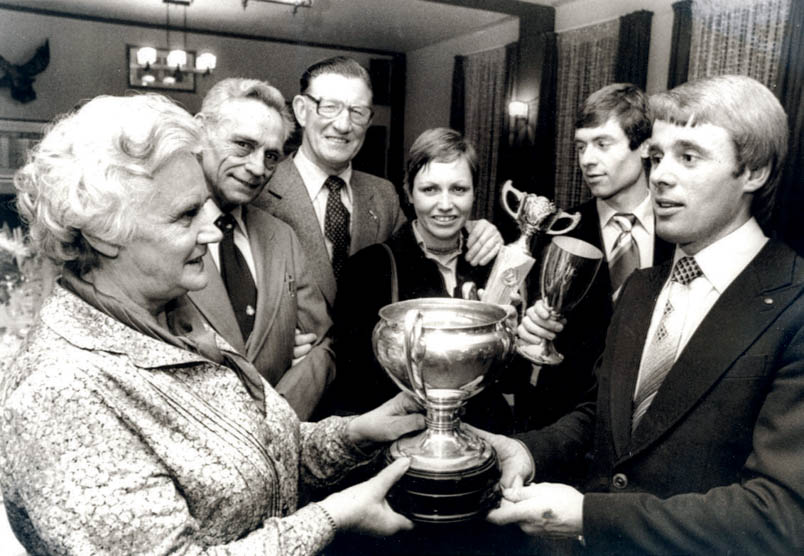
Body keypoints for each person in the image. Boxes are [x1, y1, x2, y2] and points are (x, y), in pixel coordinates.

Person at [0, 93, 430, 554]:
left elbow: (258, 454)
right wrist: (330, 519)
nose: (212, 227)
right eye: (186, 214)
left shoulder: (171, 316)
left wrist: (359, 431)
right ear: (104, 231)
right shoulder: (60, 392)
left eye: (204, 206)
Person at [489, 75, 804, 554]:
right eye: (656, 156)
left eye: (689, 156)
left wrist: (588, 517)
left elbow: (779, 515)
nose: (658, 175)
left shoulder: (794, 304)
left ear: (754, 171)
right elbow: (608, 419)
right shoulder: (642, 286)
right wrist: (530, 449)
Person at [253, 56, 502, 310]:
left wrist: (473, 231)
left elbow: (420, 249)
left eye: (357, 112)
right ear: (301, 110)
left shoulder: (383, 195)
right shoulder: (258, 190)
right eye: (329, 107)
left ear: (369, 121)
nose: (343, 125)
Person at [321, 128, 513, 434]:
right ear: (409, 192)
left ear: (475, 192)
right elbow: (356, 386)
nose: (446, 204)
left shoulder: (495, 262)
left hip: (485, 438)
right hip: (404, 441)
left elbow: (513, 378)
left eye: (459, 189)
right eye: (430, 189)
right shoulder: (369, 269)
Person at [516, 83, 673, 436]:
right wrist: (526, 331)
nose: (587, 159)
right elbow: (527, 337)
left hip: (652, 424)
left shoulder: (681, 233)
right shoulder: (554, 232)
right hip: (563, 426)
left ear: (645, 146)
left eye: (602, 144)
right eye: (581, 146)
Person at [189, 77, 334, 420]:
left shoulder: (281, 237)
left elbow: (324, 346)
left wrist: (279, 415)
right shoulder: (158, 234)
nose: (258, 168)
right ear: (199, 132)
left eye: (271, 156)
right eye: (243, 145)